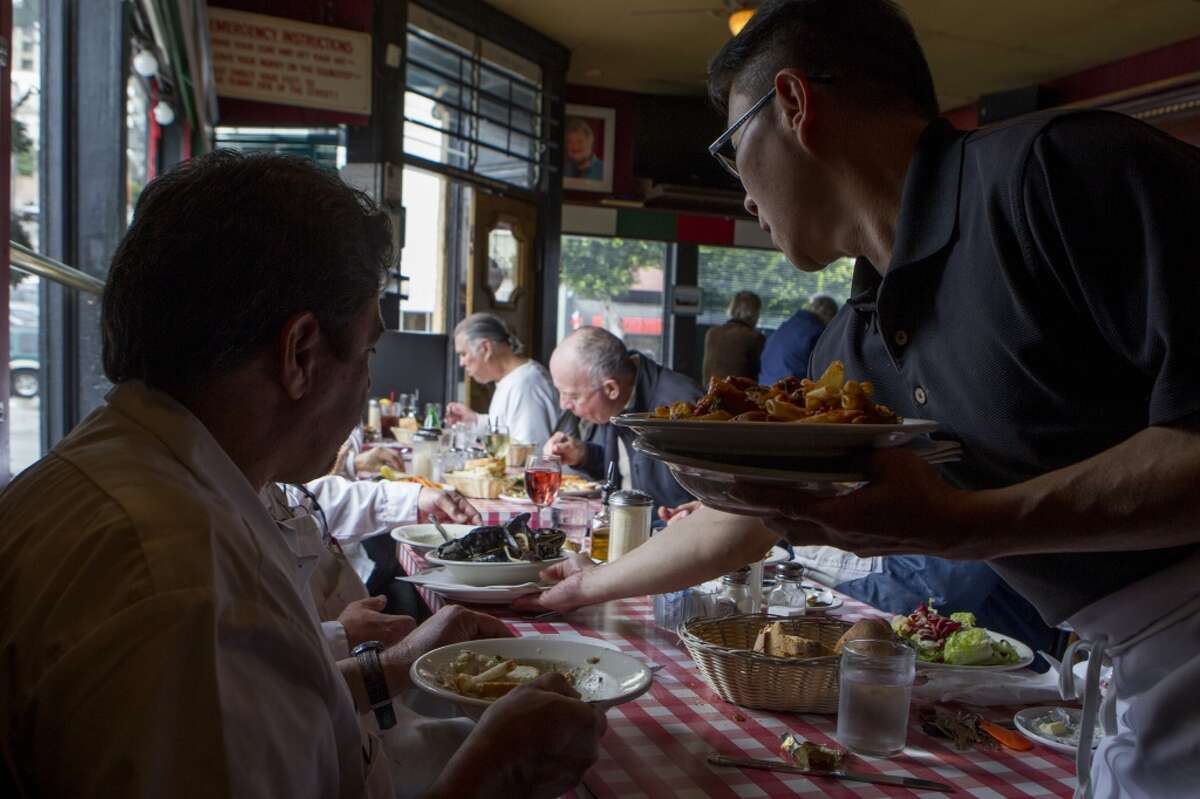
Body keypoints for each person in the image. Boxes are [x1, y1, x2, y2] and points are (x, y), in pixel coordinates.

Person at [637, 2, 1200, 796]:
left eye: (733, 151)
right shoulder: (856, 343)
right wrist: (579, 588)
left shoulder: (1055, 176)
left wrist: (966, 525)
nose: (744, 197)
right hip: (1118, 661)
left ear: (794, 105)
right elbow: (753, 514)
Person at [0, 151, 605, 797]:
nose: (370, 381)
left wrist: (390, 666)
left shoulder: (111, 474)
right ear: (301, 353)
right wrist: (496, 771)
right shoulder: (182, 584)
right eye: (369, 349)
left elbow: (261, 715)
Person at [544, 326, 701, 509]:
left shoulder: (682, 410)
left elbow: (715, 496)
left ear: (611, 389)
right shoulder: (617, 401)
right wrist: (582, 455)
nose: (564, 404)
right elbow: (628, 470)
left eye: (573, 396)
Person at [444, 312, 559, 446]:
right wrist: (475, 420)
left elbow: (527, 455)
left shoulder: (526, 384)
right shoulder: (512, 379)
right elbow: (509, 428)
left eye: (463, 354)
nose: (461, 363)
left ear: (485, 348)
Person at [757, 294, 837, 384]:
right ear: (827, 313)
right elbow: (823, 372)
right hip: (787, 391)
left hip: (765, 386)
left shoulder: (787, 325)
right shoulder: (816, 333)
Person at [702, 290, 766, 386]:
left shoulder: (712, 333)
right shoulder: (755, 338)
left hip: (708, 395)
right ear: (755, 313)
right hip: (739, 397)